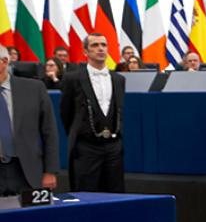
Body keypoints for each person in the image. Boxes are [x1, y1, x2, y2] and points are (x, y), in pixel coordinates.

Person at [61, 33, 126, 192]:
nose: (100, 49)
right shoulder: (73, 78)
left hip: (113, 147)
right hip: (86, 147)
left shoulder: (119, 79)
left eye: (104, 45)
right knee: (86, 193)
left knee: (115, 193)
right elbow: (66, 113)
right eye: (95, 45)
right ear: (85, 52)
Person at [0, 51, 59, 195]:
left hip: (27, 171)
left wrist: (50, 171)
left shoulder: (34, 89)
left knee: (30, 217)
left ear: (4, 61)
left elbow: (49, 132)